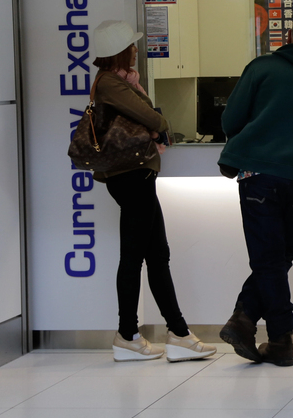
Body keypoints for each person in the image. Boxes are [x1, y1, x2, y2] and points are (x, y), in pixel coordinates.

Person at [218, 12, 293, 366]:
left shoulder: (261, 68)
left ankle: (277, 337)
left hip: (259, 175)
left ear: (288, 35)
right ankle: (247, 322)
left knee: (267, 259)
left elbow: (230, 121)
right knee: (280, 257)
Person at [90, 20, 216, 363]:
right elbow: (148, 116)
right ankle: (130, 335)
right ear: (120, 50)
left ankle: (175, 334)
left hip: (137, 176)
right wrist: (161, 125)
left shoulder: (120, 82)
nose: (136, 50)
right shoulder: (110, 84)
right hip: (130, 177)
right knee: (136, 257)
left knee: (156, 255)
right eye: (131, 45)